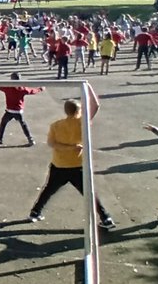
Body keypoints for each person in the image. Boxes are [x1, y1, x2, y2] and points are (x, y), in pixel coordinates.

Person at [26, 98, 115, 229]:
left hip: (59, 165)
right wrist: (74, 147)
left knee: (49, 190)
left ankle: (35, 212)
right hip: (77, 165)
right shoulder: (83, 123)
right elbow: (96, 106)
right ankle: (105, 217)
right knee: (89, 192)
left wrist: (68, 148)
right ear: (79, 111)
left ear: (65, 111)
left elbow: (51, 143)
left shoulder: (56, 125)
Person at [0, 72, 43, 147]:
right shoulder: (22, 89)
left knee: (3, 124)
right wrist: (40, 89)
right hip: (18, 111)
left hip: (9, 111)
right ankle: (30, 139)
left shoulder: (8, 88)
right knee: (23, 124)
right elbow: (32, 91)